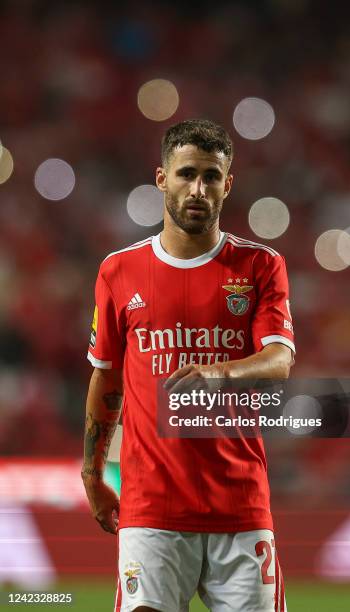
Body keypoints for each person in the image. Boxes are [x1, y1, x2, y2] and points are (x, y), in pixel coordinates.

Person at [82, 118, 295, 612]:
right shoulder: (118, 271)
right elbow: (106, 377)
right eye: (186, 174)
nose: (198, 188)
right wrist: (92, 475)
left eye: (212, 176)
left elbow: (279, 358)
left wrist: (218, 372)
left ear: (228, 184)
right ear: (162, 179)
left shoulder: (261, 265)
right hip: (151, 508)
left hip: (240, 507)